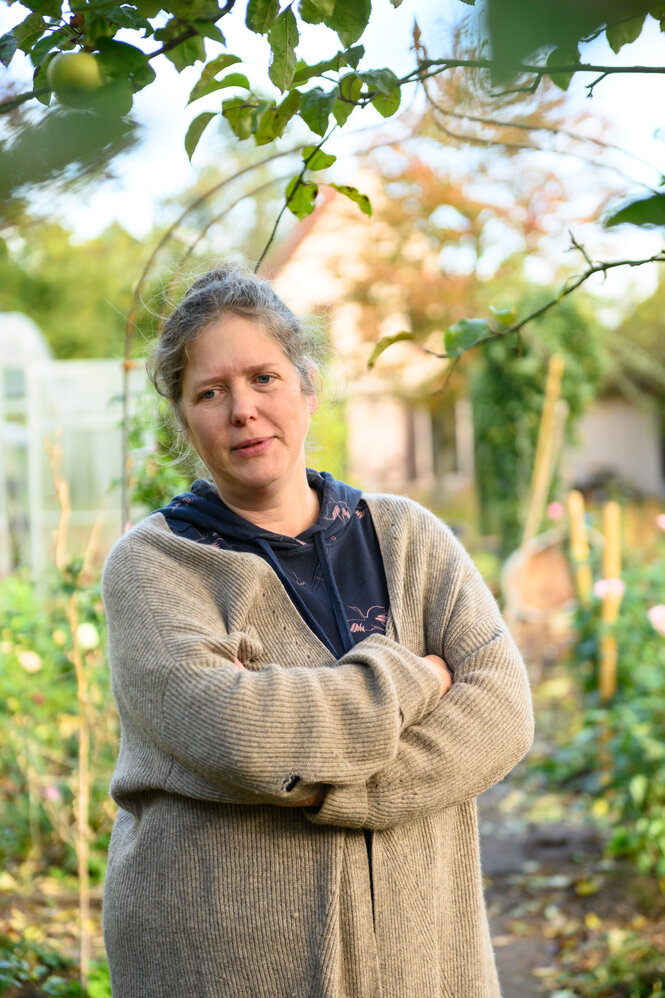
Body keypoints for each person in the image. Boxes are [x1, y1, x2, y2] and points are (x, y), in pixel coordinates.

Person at [102, 265, 534, 998]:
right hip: (219, 961)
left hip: (419, 951)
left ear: (308, 386)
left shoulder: (409, 538)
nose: (243, 409)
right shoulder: (155, 566)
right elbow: (239, 734)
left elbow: (500, 713)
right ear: (183, 418)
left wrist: (327, 787)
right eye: (210, 392)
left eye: (264, 377)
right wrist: (417, 679)